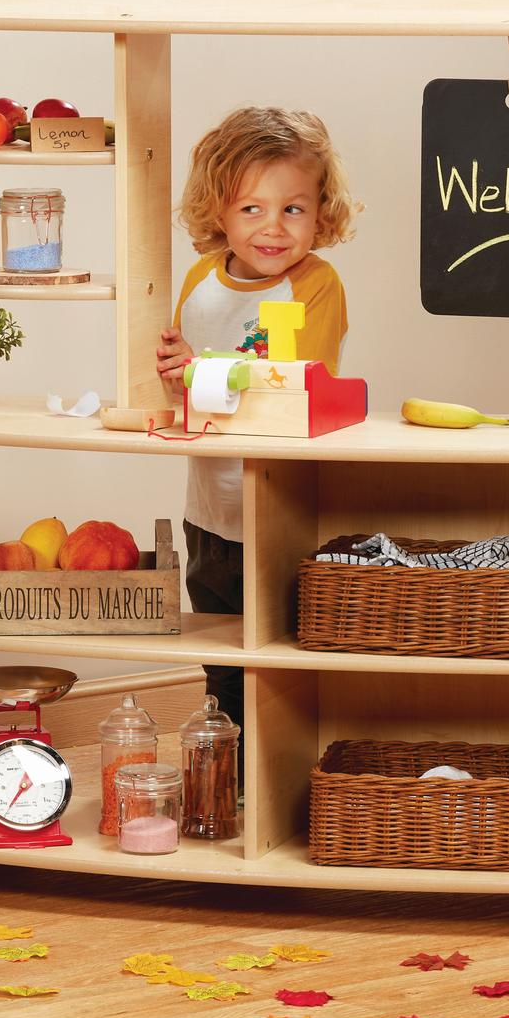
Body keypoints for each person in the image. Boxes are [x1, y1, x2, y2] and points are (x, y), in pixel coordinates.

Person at [156, 106, 355, 728]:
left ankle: (276, 785)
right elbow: (179, 387)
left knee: (279, 655)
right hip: (208, 511)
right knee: (221, 660)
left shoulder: (314, 285)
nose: (274, 228)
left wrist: (198, 370)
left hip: (281, 506)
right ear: (219, 210)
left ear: (320, 212)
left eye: (293, 208)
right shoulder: (198, 280)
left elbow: (295, 388)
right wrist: (175, 372)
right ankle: (233, 782)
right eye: (252, 208)